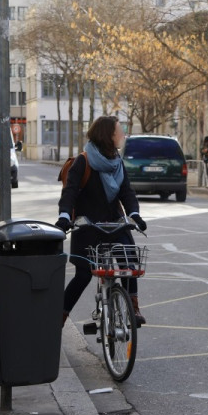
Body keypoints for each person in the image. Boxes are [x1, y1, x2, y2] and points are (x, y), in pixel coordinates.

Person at [55, 116, 148, 326]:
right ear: (108, 136)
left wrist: (134, 214)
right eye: (119, 131)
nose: (123, 135)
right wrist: (63, 217)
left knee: (128, 264)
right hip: (87, 226)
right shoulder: (84, 161)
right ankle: (57, 320)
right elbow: (69, 193)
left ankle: (133, 307)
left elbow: (127, 192)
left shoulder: (117, 162)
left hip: (114, 224)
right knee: (83, 275)